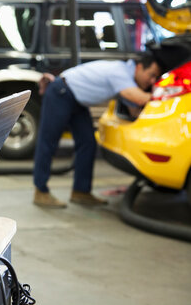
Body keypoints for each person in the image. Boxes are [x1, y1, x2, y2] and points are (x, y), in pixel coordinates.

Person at [33, 54, 162, 208]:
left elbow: (134, 109)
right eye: (151, 75)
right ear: (140, 67)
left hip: (76, 100)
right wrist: (165, 94)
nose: (152, 80)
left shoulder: (126, 78)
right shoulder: (120, 72)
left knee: (88, 143)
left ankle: (81, 192)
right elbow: (138, 98)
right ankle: (40, 192)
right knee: (48, 142)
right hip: (61, 92)